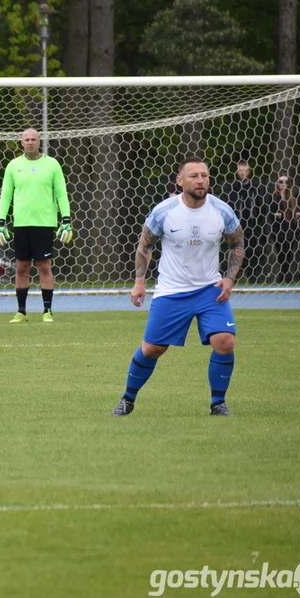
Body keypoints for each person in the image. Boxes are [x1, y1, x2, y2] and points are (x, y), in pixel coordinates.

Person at [111, 157, 244, 417]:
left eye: (204, 175)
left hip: (209, 289)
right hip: (172, 290)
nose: (201, 180)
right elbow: (144, 246)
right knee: (152, 349)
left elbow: (236, 243)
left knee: (225, 341)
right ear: (180, 180)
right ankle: (127, 399)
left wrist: (229, 278)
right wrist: (139, 283)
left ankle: (218, 404)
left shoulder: (222, 211)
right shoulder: (164, 211)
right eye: (194, 176)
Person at [0, 128, 73, 323]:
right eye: (26, 139)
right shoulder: (13, 165)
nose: (30, 142)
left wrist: (66, 219)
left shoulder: (52, 165)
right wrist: (1, 222)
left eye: (33, 139)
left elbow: (61, 194)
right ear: (21, 143)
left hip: (45, 224)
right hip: (21, 224)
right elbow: (6, 195)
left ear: (39, 142)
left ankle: (47, 311)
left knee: (44, 266)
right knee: (22, 267)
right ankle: (21, 312)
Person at [222, 159, 265, 283]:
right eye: (240, 170)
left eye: (245, 170)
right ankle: (233, 277)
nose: (243, 173)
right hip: (236, 224)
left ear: (249, 171)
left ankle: (253, 278)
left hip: (252, 224)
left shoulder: (255, 188)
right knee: (235, 248)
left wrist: (259, 222)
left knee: (252, 250)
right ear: (237, 171)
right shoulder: (232, 188)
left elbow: (261, 207)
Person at [270, 172, 300, 284]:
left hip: (290, 228)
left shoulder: (294, 197)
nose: (283, 184)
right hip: (278, 229)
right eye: (281, 182)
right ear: (277, 183)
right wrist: (275, 215)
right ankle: (283, 274)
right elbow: (268, 212)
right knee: (280, 253)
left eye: (286, 182)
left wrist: (299, 214)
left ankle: (286, 275)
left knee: (288, 252)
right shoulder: (274, 197)